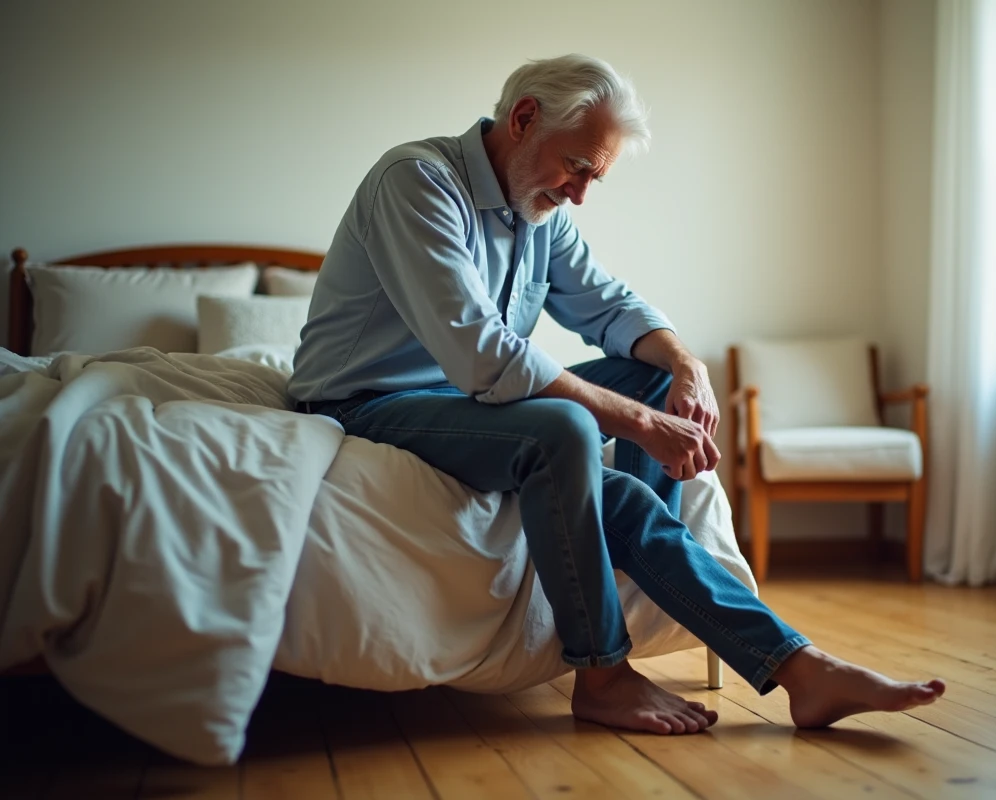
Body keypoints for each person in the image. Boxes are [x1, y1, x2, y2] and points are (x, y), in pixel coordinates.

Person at [289, 54, 945, 735]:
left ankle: (788, 664)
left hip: (470, 403)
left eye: (593, 177)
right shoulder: (417, 183)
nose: (579, 194)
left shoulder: (541, 213)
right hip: (366, 402)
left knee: (650, 381)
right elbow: (482, 354)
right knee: (565, 431)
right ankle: (603, 674)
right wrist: (635, 425)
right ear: (522, 120)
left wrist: (687, 365)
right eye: (577, 167)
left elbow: (612, 309)